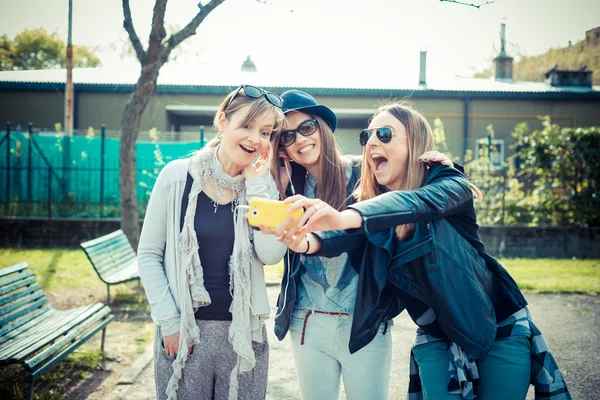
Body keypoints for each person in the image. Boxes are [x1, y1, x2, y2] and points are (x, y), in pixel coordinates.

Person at [277, 103, 571, 400]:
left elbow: (416, 204)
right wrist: (302, 243)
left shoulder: (449, 183)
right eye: (368, 136)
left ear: (414, 143)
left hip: (496, 326)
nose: (372, 142)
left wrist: (345, 215)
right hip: (435, 335)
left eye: (385, 133)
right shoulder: (375, 205)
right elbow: (342, 238)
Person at [269, 91, 453, 400]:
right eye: (287, 136)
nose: (299, 139)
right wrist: (275, 174)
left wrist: (441, 167)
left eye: (307, 127)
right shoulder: (288, 187)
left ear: (324, 127)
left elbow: (411, 187)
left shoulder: (366, 174)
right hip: (307, 321)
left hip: (365, 323)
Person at [137, 85, 287, 400]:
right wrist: (169, 323)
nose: (255, 139)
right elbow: (149, 255)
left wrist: (258, 185)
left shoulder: (263, 187)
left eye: (265, 132)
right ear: (222, 121)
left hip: (245, 338)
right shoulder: (176, 177)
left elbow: (271, 253)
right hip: (184, 335)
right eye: (246, 125)